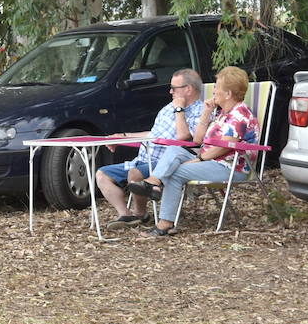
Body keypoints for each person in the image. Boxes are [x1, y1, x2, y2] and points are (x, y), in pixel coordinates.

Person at [128, 66, 261, 238]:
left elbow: (225, 146)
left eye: (216, 87)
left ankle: (164, 225)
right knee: (175, 149)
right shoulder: (222, 114)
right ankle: (153, 182)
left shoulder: (240, 114)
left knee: (176, 173)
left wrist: (199, 159)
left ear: (227, 94)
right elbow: (198, 140)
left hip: (231, 167)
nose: (213, 90)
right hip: (212, 161)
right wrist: (206, 112)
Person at [96, 68, 204, 229]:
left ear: (188, 89)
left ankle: (140, 214)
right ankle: (126, 214)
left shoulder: (201, 111)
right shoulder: (168, 108)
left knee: (135, 173)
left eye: (174, 88)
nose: (170, 91)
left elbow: (186, 138)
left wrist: (179, 110)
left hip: (169, 162)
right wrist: (123, 136)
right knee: (102, 174)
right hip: (143, 159)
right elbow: (153, 134)